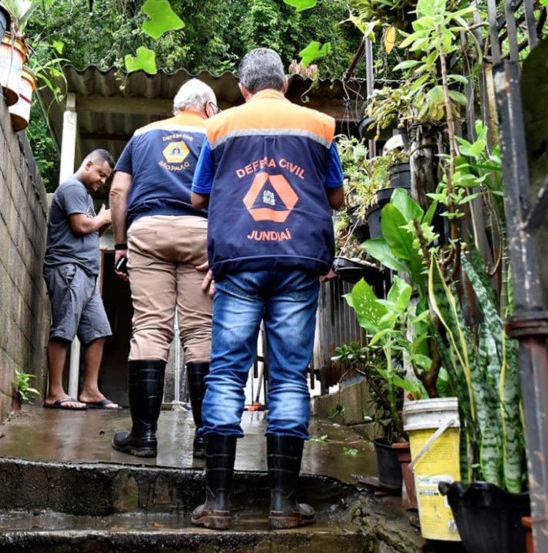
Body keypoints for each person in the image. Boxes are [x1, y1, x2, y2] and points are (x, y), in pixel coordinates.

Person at [188, 48, 344, 530]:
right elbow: (337, 196)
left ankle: (217, 504)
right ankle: (283, 506)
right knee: (289, 377)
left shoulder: (219, 127)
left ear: (242, 89)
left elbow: (197, 196)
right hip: (299, 260)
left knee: (225, 374)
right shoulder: (320, 126)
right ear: (286, 84)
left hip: (239, 260)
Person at [109, 79, 219, 458]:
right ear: (208, 107)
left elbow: (118, 191)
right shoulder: (215, 133)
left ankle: (144, 437)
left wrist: (120, 244)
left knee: (149, 328)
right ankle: (207, 438)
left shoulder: (142, 135)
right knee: (200, 331)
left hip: (148, 230)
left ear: (177, 106)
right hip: (202, 233)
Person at [42, 149, 121, 411]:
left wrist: (102, 222)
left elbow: (89, 233)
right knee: (64, 329)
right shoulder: (72, 188)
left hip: (86, 273)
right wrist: (102, 217)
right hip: (68, 268)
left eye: (106, 177)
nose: (103, 181)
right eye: (101, 174)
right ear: (88, 164)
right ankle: (55, 392)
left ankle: (90, 391)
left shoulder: (84, 195)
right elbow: (81, 226)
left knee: (99, 331)